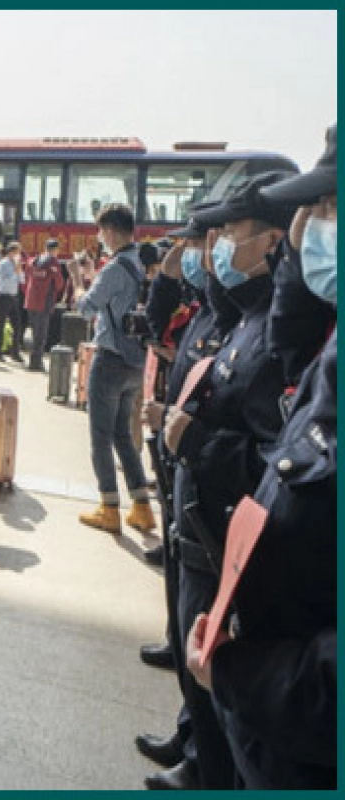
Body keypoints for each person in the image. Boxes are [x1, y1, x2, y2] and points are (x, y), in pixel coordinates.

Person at [186, 134, 337, 790]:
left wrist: (240, 674)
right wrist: (299, 286)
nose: (315, 227)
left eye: (330, 209)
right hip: (272, 734)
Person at [158, 172, 299, 789]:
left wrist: (198, 443)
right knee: (204, 696)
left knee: (229, 724)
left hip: (226, 549)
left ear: (272, 243)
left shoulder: (279, 334)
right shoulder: (244, 316)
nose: (214, 246)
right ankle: (199, 759)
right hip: (198, 535)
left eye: (228, 234)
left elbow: (275, 461)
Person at [134, 215, 240, 788]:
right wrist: (169, 278)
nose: (199, 251)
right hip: (184, 484)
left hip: (214, 508)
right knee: (182, 613)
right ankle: (189, 734)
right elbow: (159, 331)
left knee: (203, 630)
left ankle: (202, 761)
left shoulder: (252, 324)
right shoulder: (206, 311)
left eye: (213, 238)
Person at [72, 205, 155, 535]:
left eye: (100, 231)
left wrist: (79, 281)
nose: (99, 237)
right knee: (123, 434)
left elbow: (85, 307)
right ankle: (142, 507)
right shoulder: (141, 263)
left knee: (100, 437)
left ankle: (109, 508)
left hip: (110, 360)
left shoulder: (114, 268)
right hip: (136, 360)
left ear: (109, 231)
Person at [24, 238, 65, 371]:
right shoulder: (53, 262)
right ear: (56, 250)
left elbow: (26, 277)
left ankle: (33, 360)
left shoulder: (33, 260)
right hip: (43, 301)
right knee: (41, 334)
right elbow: (59, 284)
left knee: (35, 332)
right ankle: (36, 363)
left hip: (31, 301)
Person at [0, 242, 24, 362]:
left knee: (17, 325)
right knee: (0, 325)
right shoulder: (3, 263)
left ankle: (14, 352)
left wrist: (19, 270)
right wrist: (15, 272)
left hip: (14, 296)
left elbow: (22, 280)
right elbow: (3, 279)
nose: (18, 254)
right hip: (4, 296)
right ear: (11, 252)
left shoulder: (17, 264)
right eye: (17, 252)